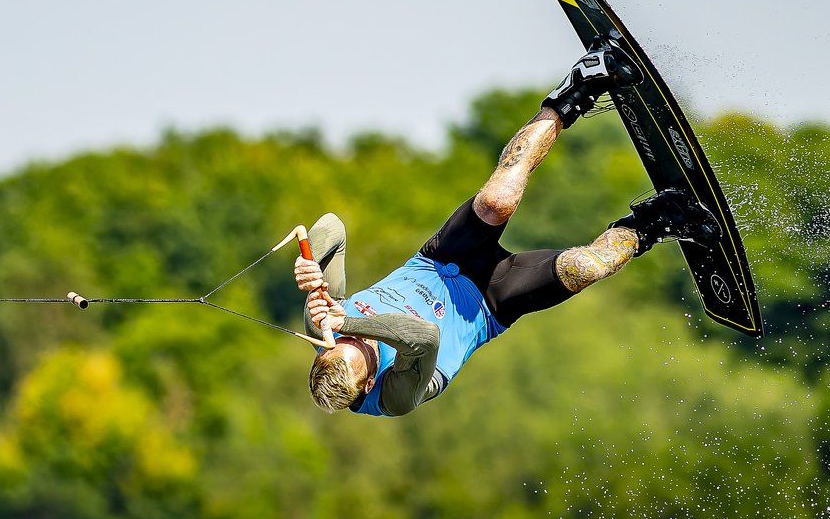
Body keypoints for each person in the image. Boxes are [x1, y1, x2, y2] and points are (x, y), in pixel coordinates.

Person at [296, 50, 719, 416]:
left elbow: (332, 227)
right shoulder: (393, 396)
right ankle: (658, 220)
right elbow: (424, 336)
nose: (353, 336)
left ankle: (578, 88)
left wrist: (309, 265)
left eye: (344, 338)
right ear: (369, 383)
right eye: (361, 348)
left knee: (497, 201)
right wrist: (349, 319)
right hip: (488, 304)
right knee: (586, 267)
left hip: (440, 261)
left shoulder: (324, 330)